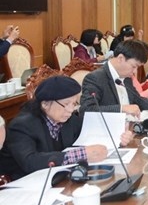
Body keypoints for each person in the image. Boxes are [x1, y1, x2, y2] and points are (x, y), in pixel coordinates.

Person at [0, 76, 133, 180]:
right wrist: (82, 154)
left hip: (61, 180)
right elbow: (30, 161)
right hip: (27, 186)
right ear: (45, 104)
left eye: (74, 104)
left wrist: (119, 137)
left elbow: (92, 134)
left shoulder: (69, 119)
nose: (70, 110)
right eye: (66, 104)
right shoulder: (21, 126)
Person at [81, 40, 148, 116]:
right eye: (133, 66)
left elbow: (137, 100)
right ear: (120, 58)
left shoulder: (126, 77)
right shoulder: (95, 78)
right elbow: (87, 109)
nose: (134, 72)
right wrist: (122, 109)